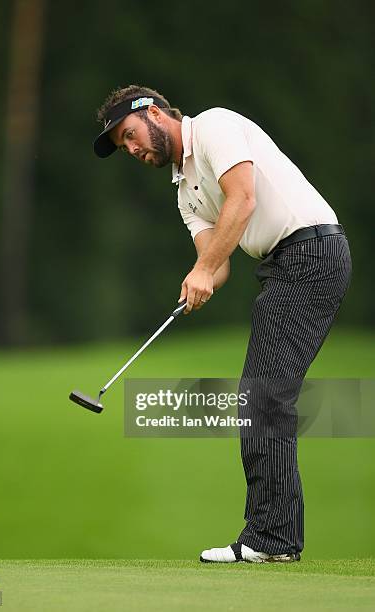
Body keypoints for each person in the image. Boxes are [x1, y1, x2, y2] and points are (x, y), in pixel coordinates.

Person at [93, 85, 352, 563]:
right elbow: (219, 263)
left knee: (263, 396)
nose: (131, 149)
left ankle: (271, 539)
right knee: (263, 395)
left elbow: (244, 198)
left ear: (152, 113)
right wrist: (201, 277)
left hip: (313, 251)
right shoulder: (184, 193)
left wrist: (204, 269)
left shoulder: (213, 125)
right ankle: (275, 538)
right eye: (123, 147)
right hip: (284, 264)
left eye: (130, 135)